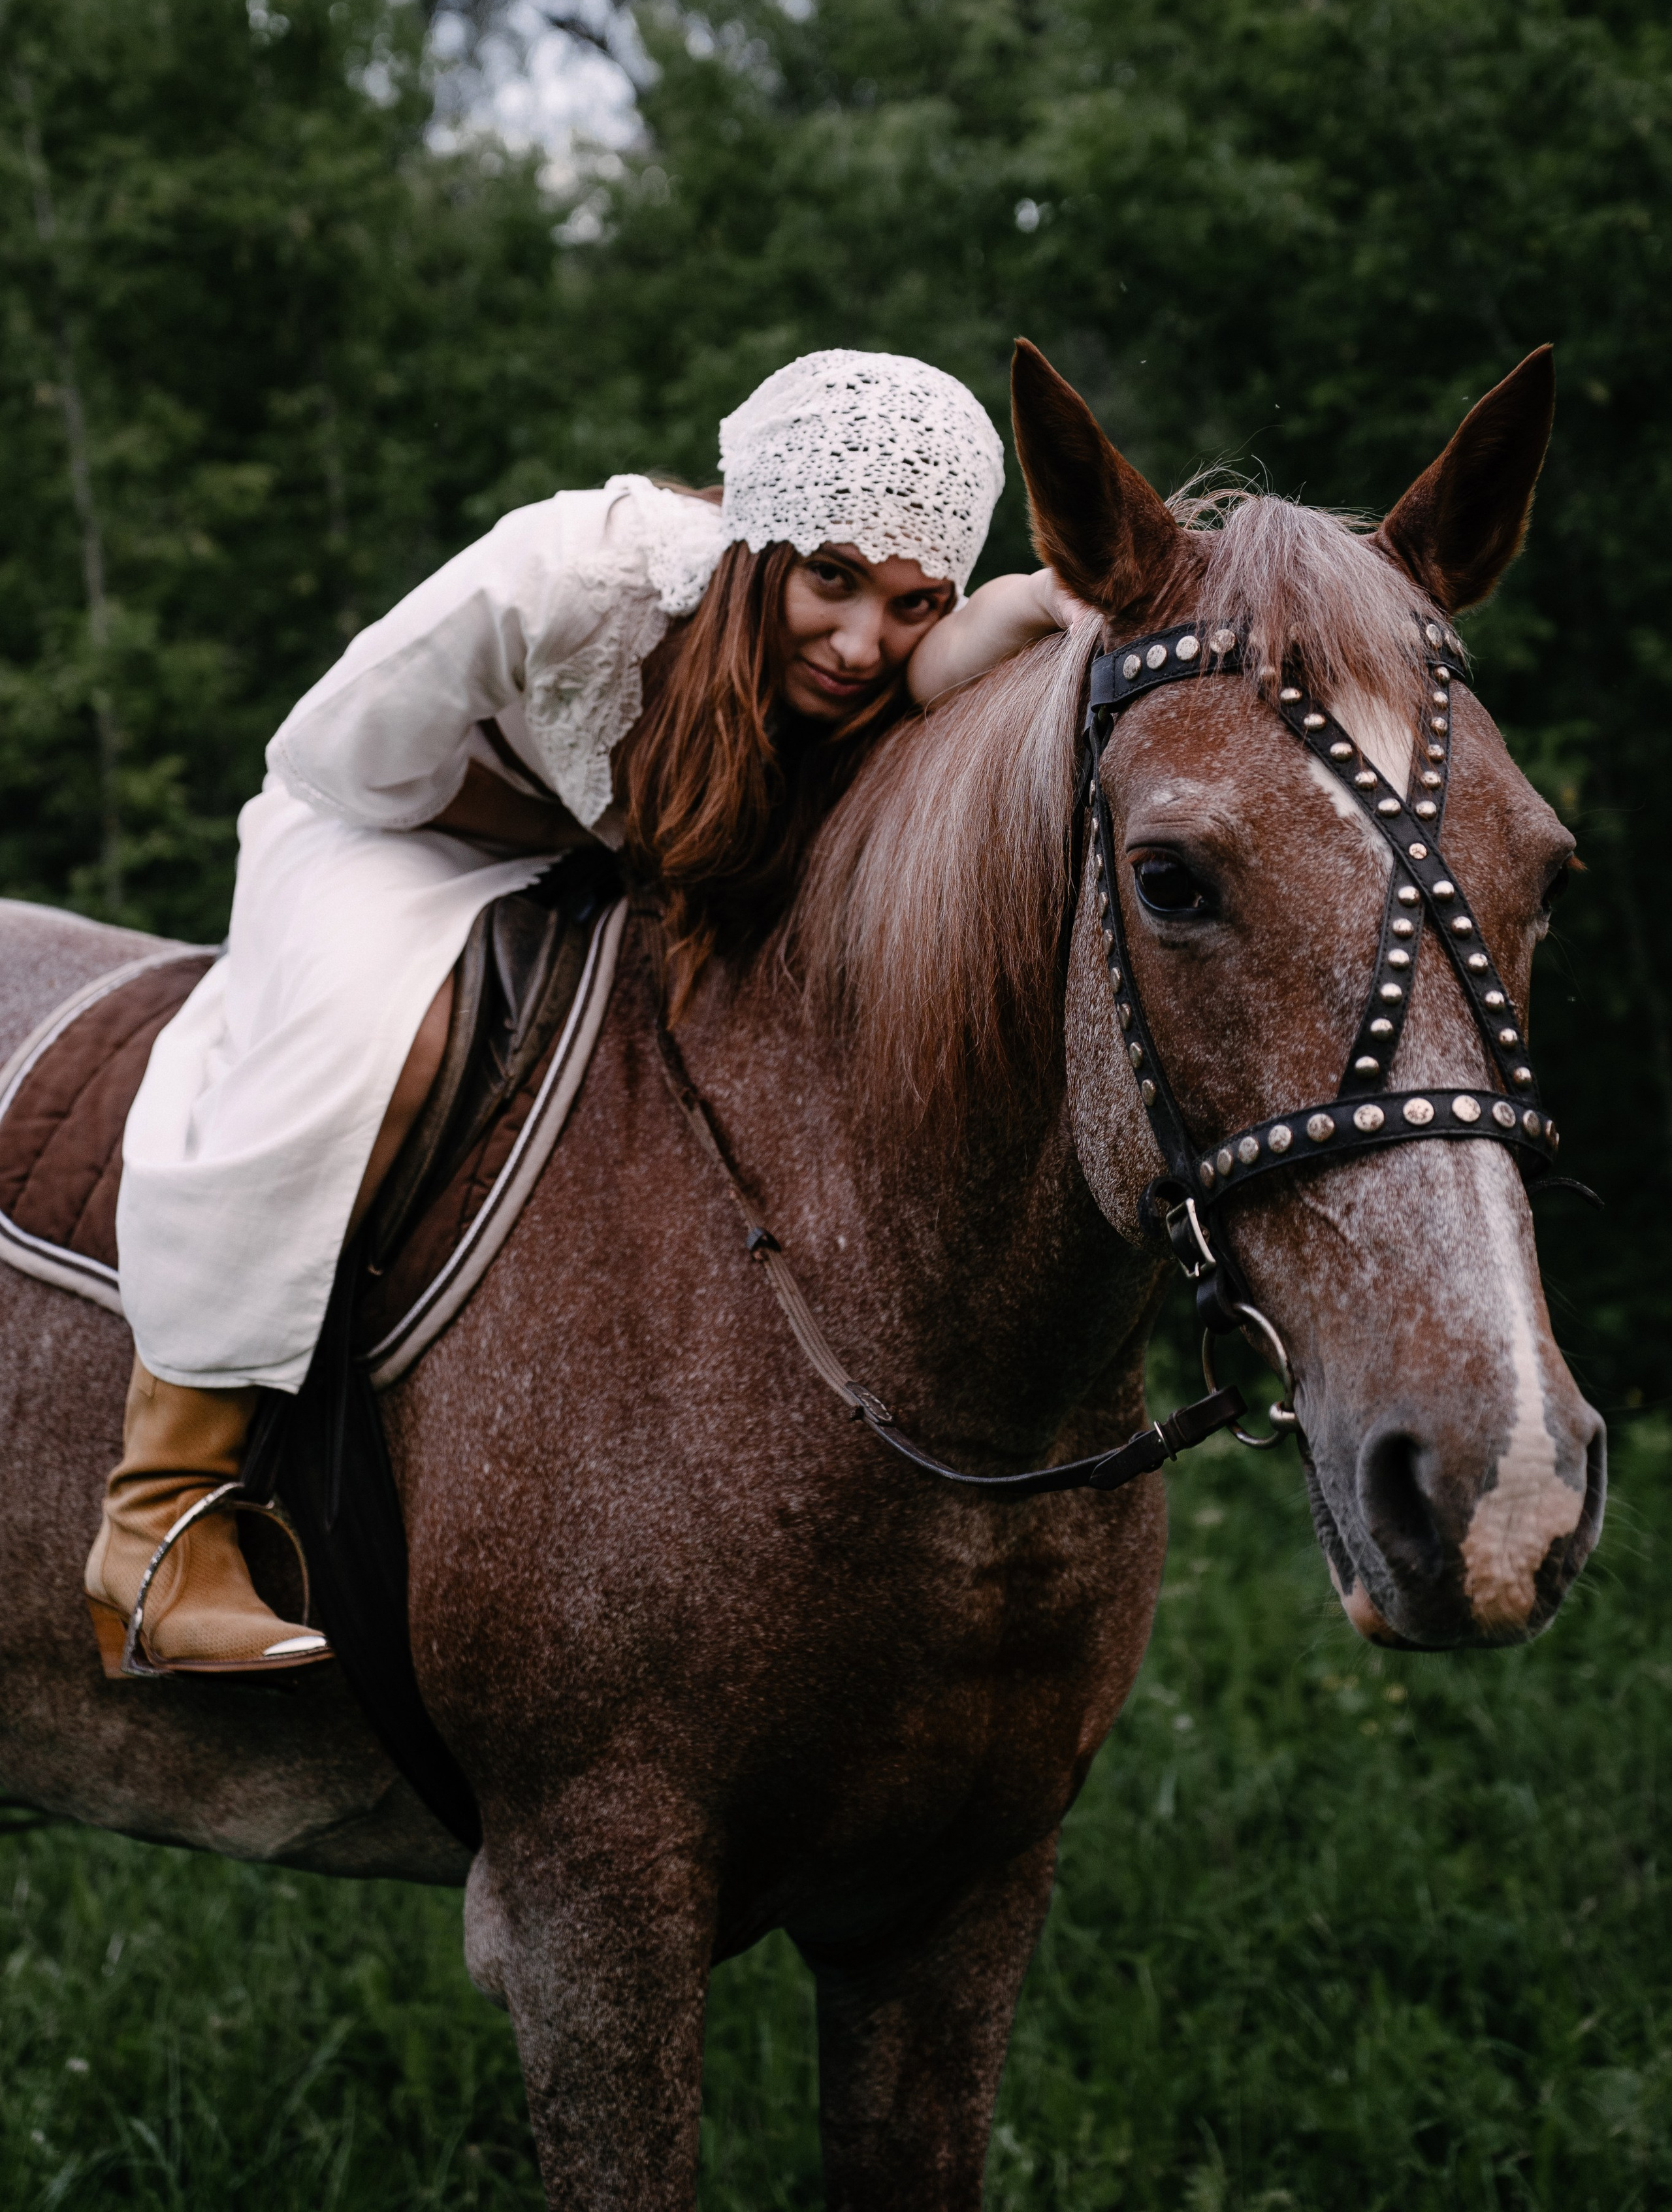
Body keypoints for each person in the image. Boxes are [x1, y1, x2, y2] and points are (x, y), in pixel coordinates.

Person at [86, 350, 1089, 1679]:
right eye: (827, 578)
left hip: (601, 861)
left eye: (911, 600)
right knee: (374, 1043)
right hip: (401, 827)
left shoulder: (873, 655)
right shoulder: (568, 573)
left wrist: (1030, 602)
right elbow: (339, 756)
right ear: (754, 543)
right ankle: (159, 1525)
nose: (858, 645)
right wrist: (580, 841)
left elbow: (930, 668)